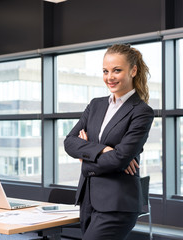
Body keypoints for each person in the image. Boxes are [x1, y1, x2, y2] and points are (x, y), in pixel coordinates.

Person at [64, 43, 154, 240]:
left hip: (117, 205)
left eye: (117, 70)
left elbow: (120, 159)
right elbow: (69, 142)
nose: (109, 77)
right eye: (105, 71)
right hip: (87, 199)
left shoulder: (141, 112)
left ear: (133, 70)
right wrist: (104, 149)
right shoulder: (95, 105)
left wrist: (85, 158)